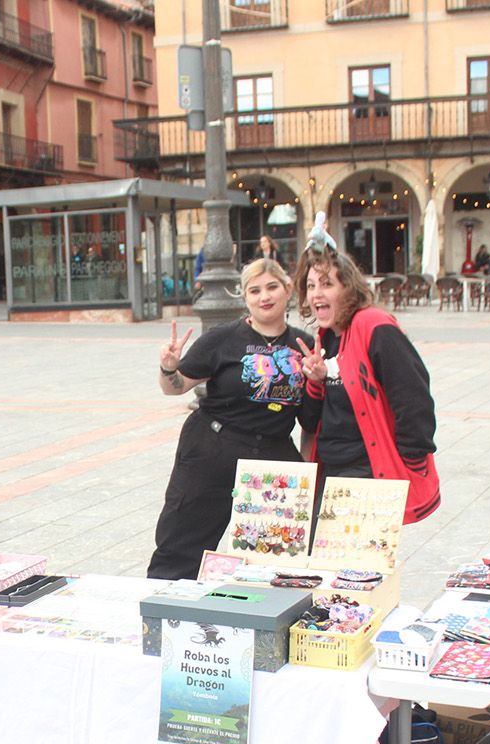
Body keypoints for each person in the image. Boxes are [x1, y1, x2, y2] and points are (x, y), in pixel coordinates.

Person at [146, 258, 308, 580]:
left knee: (275, 556)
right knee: (182, 546)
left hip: (273, 455)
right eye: (255, 290)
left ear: (288, 289)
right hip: (214, 448)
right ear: (245, 297)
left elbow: (313, 411)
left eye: (272, 287)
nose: (265, 296)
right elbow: (175, 388)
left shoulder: (304, 345)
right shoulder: (223, 338)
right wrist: (168, 367)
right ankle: (165, 612)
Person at [294, 234, 440, 525]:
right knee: (331, 567)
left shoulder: (373, 325)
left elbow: (413, 396)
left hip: (368, 471)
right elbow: (309, 423)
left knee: (353, 567)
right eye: (310, 286)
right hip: (331, 471)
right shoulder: (325, 339)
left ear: (348, 288)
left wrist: (410, 460)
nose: (315, 294)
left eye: (326, 284)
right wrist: (315, 381)